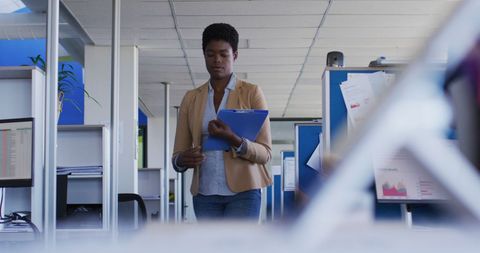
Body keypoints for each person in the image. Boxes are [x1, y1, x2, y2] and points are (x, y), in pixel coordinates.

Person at [172, 23, 272, 221]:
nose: (217, 60)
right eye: (210, 54)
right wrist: (182, 160)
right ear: (204, 56)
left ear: (234, 55)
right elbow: (177, 156)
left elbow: (265, 154)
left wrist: (235, 140)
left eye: (224, 54)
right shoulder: (191, 98)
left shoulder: (252, 93)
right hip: (205, 193)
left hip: (244, 192)